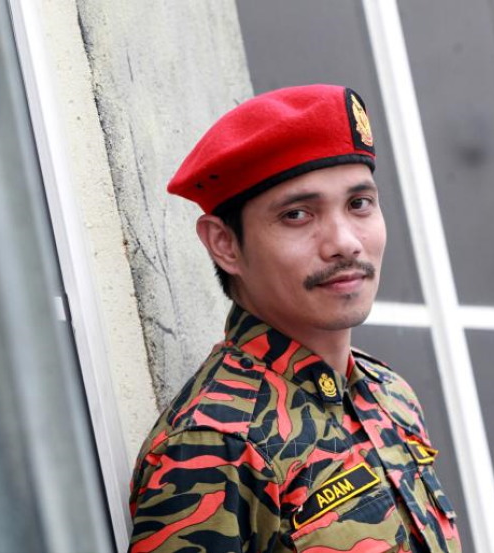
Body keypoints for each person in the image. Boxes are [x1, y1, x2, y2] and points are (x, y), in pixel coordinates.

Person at [128, 84, 462, 553]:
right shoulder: (214, 443)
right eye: (298, 215)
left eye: (359, 204)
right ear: (225, 244)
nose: (344, 242)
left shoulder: (387, 393)